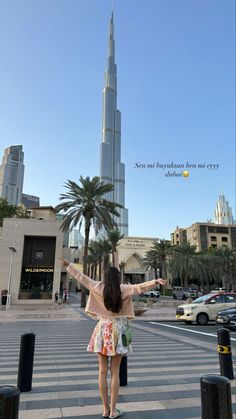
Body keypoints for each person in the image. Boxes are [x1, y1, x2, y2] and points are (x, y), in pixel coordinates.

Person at [60, 257, 166, 419]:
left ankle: (104, 409)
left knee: (102, 372)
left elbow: (81, 277)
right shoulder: (123, 289)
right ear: (118, 278)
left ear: (105, 277)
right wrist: (155, 282)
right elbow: (139, 287)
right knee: (115, 372)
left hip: (103, 329)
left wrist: (68, 265)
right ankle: (113, 410)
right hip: (119, 330)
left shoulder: (98, 287)